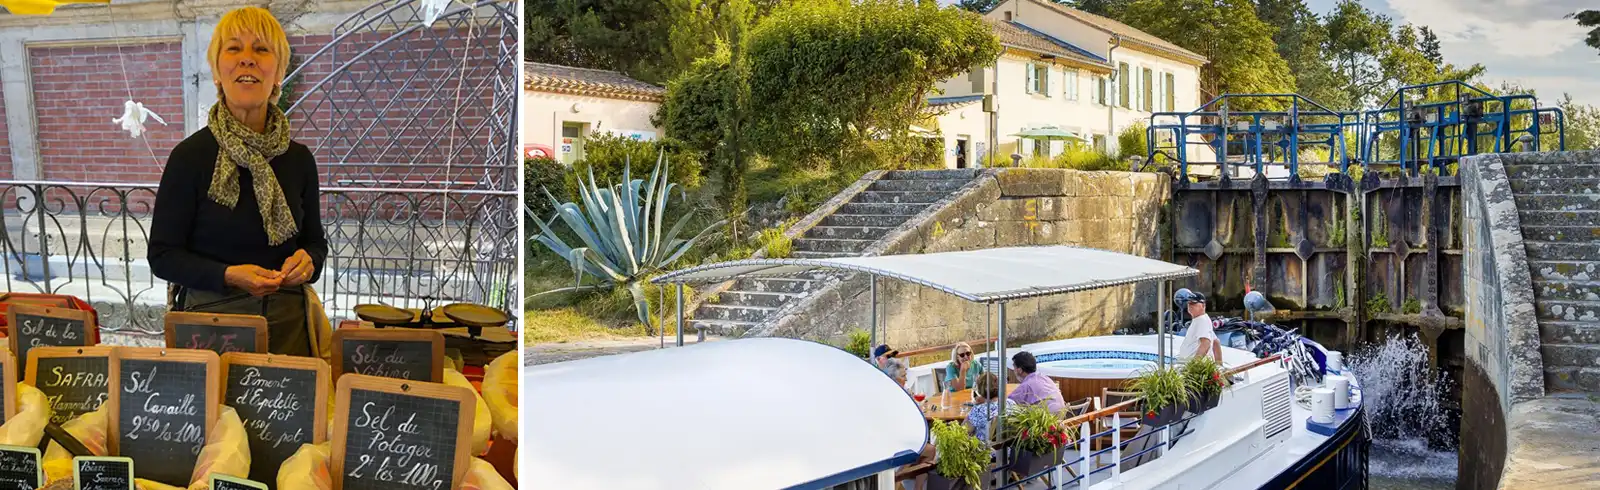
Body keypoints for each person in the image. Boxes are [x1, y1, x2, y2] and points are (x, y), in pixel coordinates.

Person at [149, 6, 327, 357]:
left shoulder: (299, 160)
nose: (247, 59)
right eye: (234, 48)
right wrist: (229, 274)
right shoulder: (190, 157)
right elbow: (163, 256)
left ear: (279, 72)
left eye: (261, 49)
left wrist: (309, 261)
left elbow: (315, 243)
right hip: (211, 330)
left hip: (288, 330)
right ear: (217, 71)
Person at [1177, 292, 1222, 363]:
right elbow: (1216, 342)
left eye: (1194, 303)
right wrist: (1219, 364)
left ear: (1203, 305)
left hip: (1193, 366)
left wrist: (1194, 364)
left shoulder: (1201, 320)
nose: (1190, 305)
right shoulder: (1202, 319)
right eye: (1189, 303)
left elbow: (1206, 343)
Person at [964, 372, 1003, 443]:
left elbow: (964, 431)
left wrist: (970, 414)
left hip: (983, 448)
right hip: (1005, 447)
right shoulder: (1011, 403)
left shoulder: (979, 410)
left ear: (979, 390)